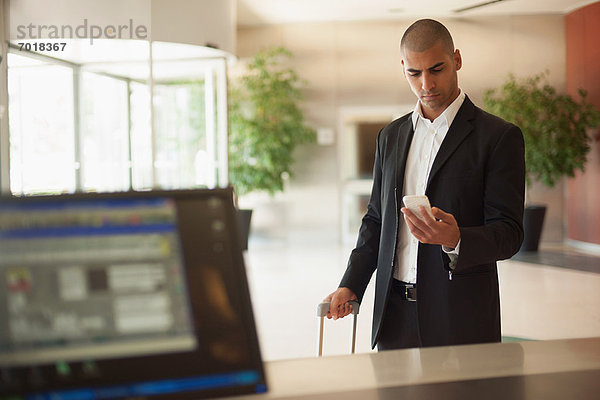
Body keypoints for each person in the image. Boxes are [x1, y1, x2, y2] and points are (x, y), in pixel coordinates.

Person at [324, 19, 525, 350]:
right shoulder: (390, 136)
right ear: (403, 68)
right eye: (414, 74)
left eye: (437, 69)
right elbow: (376, 220)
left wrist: (456, 237)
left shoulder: (498, 137)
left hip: (460, 315)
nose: (426, 84)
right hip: (393, 314)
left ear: (456, 60)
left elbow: (510, 234)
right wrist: (351, 284)